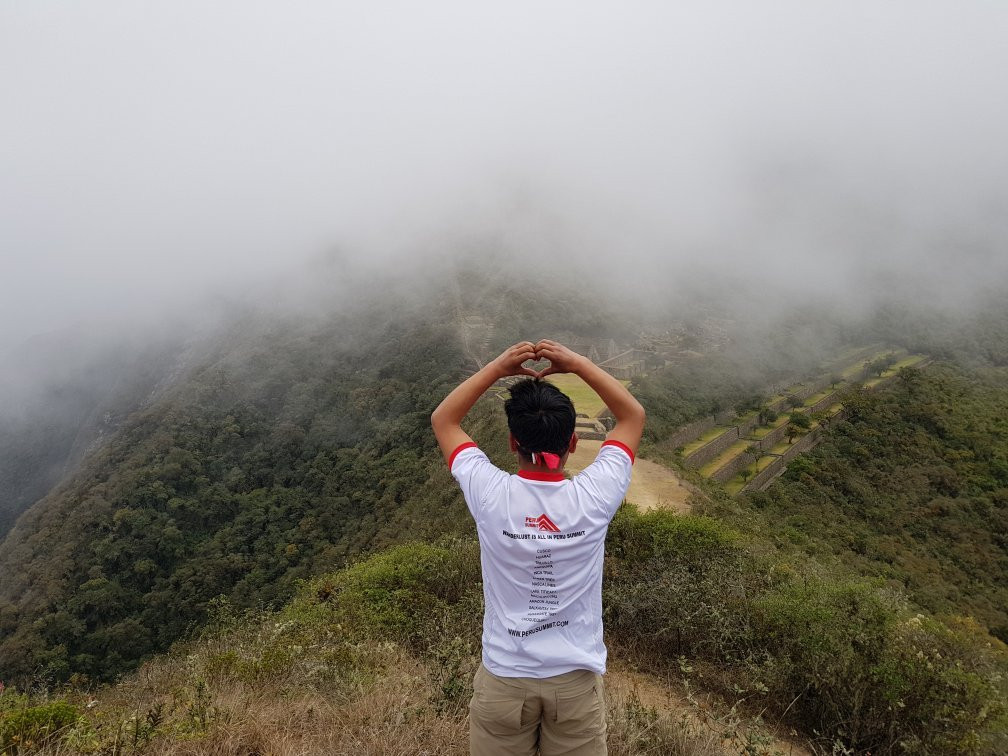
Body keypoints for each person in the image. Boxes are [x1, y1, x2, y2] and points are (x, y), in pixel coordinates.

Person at [431, 339, 646, 756]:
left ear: (513, 442)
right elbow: (632, 415)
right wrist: (579, 363)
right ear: (573, 443)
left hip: (505, 679)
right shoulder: (594, 497)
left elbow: (445, 419)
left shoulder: (490, 494)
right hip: (574, 684)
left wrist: (497, 367)